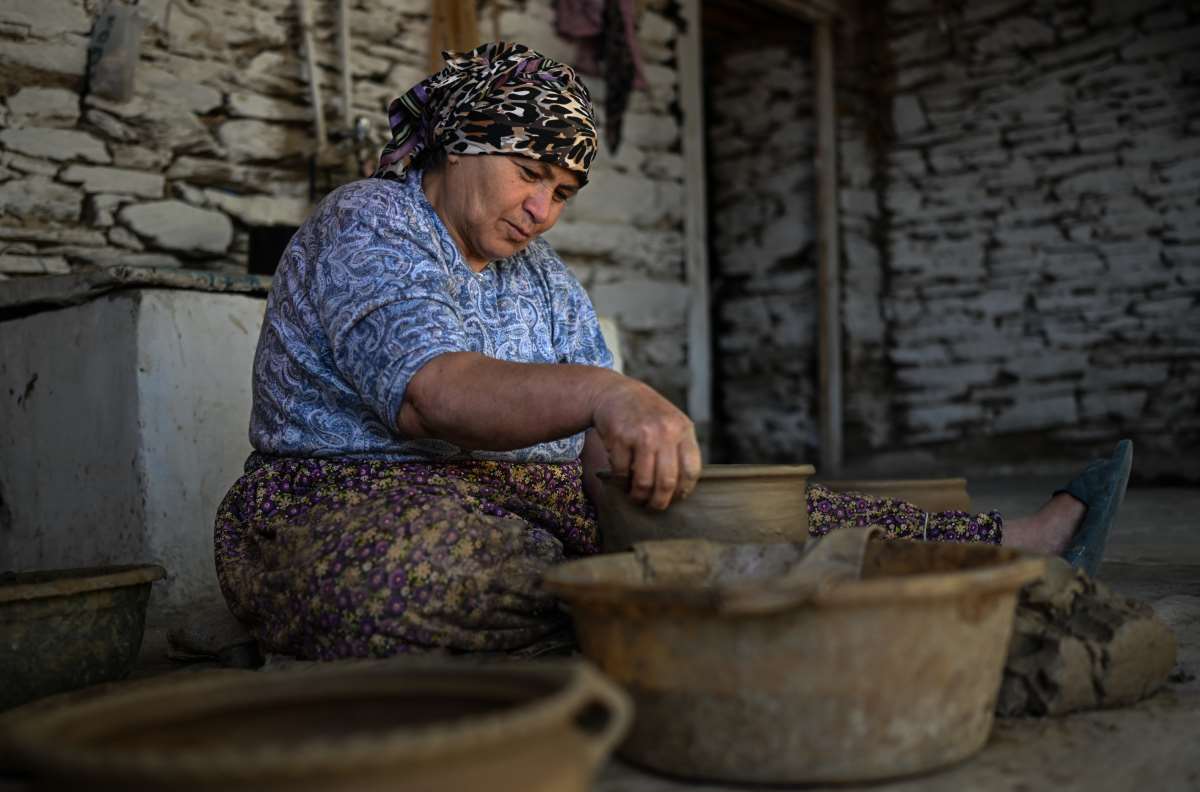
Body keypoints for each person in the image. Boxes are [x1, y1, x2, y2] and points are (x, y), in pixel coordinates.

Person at [214, 42, 1128, 662]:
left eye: (563, 191)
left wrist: (642, 487)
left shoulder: (539, 274)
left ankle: (1008, 546)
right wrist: (608, 395)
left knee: (749, 520)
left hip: (526, 495)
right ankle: (744, 624)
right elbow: (434, 396)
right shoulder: (372, 222)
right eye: (530, 174)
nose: (542, 210)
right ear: (458, 145)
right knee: (452, 577)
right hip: (347, 497)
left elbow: (591, 447)